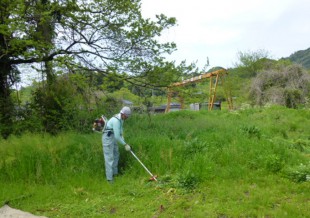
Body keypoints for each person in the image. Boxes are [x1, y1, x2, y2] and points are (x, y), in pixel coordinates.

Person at [102, 106, 132, 183]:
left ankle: (115, 174)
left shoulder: (121, 119)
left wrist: (124, 140)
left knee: (116, 154)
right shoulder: (116, 121)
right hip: (108, 138)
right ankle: (110, 179)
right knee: (109, 158)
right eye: (127, 116)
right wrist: (125, 145)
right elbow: (117, 136)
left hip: (113, 137)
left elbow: (120, 132)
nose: (127, 118)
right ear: (123, 114)